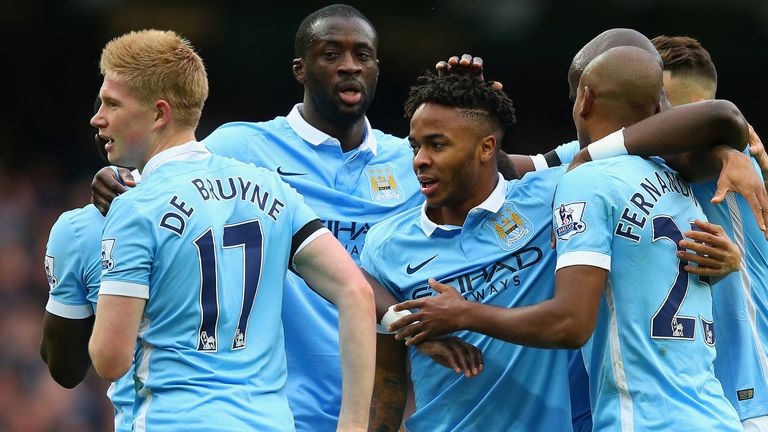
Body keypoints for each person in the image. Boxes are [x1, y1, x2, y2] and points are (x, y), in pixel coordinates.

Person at [88, 6, 483, 430]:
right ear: (300, 69)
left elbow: (490, 177)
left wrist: (470, 117)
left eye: (362, 55)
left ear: (377, 68)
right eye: (331, 54)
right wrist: (120, 176)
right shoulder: (241, 149)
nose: (349, 66)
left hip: (367, 405)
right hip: (276, 405)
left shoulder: (408, 161)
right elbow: (166, 163)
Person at [389, 46, 744, 431]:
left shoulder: (584, 179)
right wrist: (470, 111)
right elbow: (723, 119)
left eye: (574, 96)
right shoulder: (678, 173)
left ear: (586, 99)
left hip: (643, 420)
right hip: (715, 413)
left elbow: (571, 323)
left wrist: (463, 314)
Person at [86, 29, 375, 431]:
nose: (97, 117)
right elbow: (357, 292)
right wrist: (354, 426)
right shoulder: (273, 188)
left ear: (158, 114)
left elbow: (109, 360)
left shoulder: (136, 208)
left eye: (111, 103)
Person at [362, 72, 573, 431]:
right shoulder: (386, 246)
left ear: (487, 148)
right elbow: (387, 380)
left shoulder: (548, 197)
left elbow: (637, 135)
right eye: (416, 146)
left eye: (437, 145)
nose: (419, 161)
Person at [651, 34, 768, 430]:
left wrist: (729, 152)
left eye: (665, 110)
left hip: (751, 401)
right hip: (689, 403)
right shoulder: (637, 164)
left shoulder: (736, 160)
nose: (653, 123)